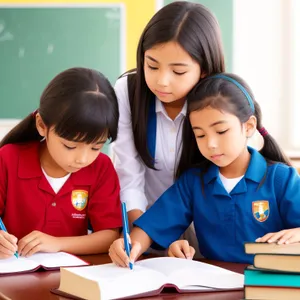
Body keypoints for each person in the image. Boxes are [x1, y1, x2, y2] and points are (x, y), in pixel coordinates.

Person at [108, 73, 300, 265]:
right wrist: (131, 244)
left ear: (249, 126)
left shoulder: (281, 179)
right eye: (200, 135)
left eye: (221, 131)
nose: (211, 144)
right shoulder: (194, 181)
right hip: (213, 286)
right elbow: (153, 226)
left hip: (267, 287)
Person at [111, 1, 225, 254]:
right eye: (152, 65)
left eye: (178, 71)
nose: (161, 81)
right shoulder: (128, 92)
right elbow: (129, 177)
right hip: (144, 230)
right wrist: (143, 237)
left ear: (204, 70)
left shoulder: (221, 102)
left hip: (207, 236)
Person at [0, 67, 122, 259]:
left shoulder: (101, 167)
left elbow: (109, 236)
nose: (82, 159)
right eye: (70, 146)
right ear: (42, 125)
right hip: (12, 278)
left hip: (72, 279)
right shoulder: (8, 159)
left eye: (96, 147)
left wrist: (57, 244)